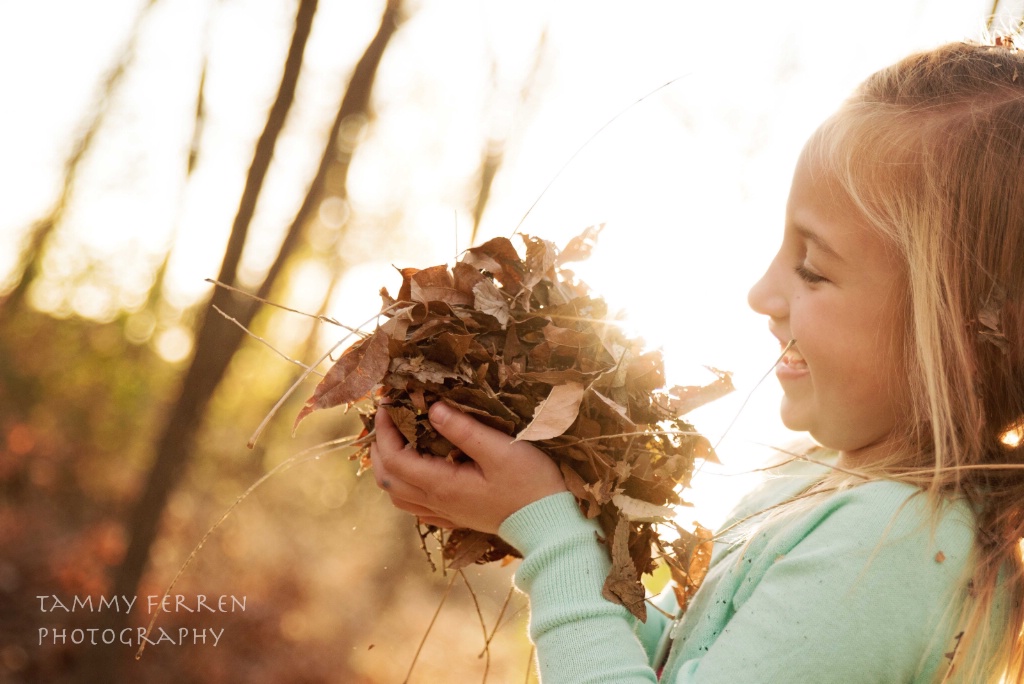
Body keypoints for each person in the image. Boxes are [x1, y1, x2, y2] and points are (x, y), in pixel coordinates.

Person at [370, 37, 1024, 683]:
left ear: (960, 335)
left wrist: (553, 538)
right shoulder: (829, 490)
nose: (762, 294)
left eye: (813, 269)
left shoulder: (894, 545)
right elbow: (681, 659)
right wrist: (550, 518)